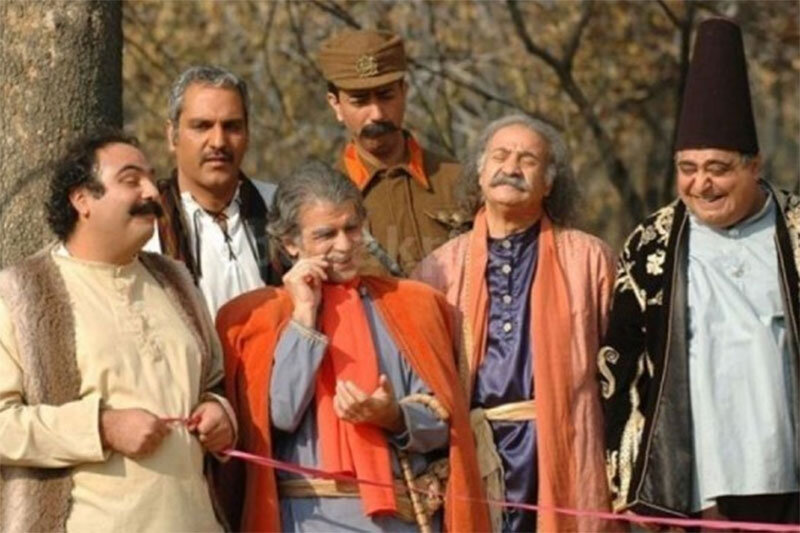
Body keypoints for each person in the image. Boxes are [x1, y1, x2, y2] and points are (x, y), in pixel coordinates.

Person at [599, 18, 799, 525]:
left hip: (790, 469)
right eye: (687, 169)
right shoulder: (650, 244)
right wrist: (626, 478)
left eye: (718, 168)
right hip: (696, 479)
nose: (701, 184)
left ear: (754, 165)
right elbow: (620, 364)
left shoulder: (797, 231)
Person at [215, 162, 489, 532]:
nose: (344, 246)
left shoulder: (413, 305)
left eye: (352, 228)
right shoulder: (255, 317)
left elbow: (444, 426)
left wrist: (393, 416)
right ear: (290, 243)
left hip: (404, 519)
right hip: (310, 520)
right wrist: (305, 316)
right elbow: (280, 415)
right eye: (326, 235)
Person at [0, 130, 235, 532]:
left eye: (151, 178)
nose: (152, 192)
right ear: (82, 200)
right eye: (131, 180)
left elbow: (215, 383)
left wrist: (219, 413)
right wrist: (101, 428)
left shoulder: (176, 280)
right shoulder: (19, 293)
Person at [413, 114, 617, 532]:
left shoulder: (590, 260)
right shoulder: (439, 268)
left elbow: (621, 375)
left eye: (528, 160)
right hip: (475, 455)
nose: (511, 168)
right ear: (480, 173)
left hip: (567, 449)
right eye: (500, 156)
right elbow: (420, 382)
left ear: (549, 182)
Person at [318, 29, 467, 276]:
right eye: (360, 101)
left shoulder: (458, 181)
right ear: (336, 105)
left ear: (404, 92)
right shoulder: (321, 201)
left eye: (386, 96)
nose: (377, 114)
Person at [150, 65, 281, 316]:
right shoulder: (146, 226)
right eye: (202, 126)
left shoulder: (282, 209)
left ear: (247, 134)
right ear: (172, 135)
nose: (219, 142)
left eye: (232, 127)